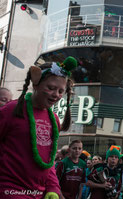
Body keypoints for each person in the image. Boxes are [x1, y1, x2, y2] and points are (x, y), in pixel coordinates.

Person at [0, 56, 77, 199]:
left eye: (61, 91)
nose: (56, 95)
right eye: (51, 88)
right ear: (36, 84)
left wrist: (53, 188)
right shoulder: (11, 110)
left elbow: (49, 162)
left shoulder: (53, 119)